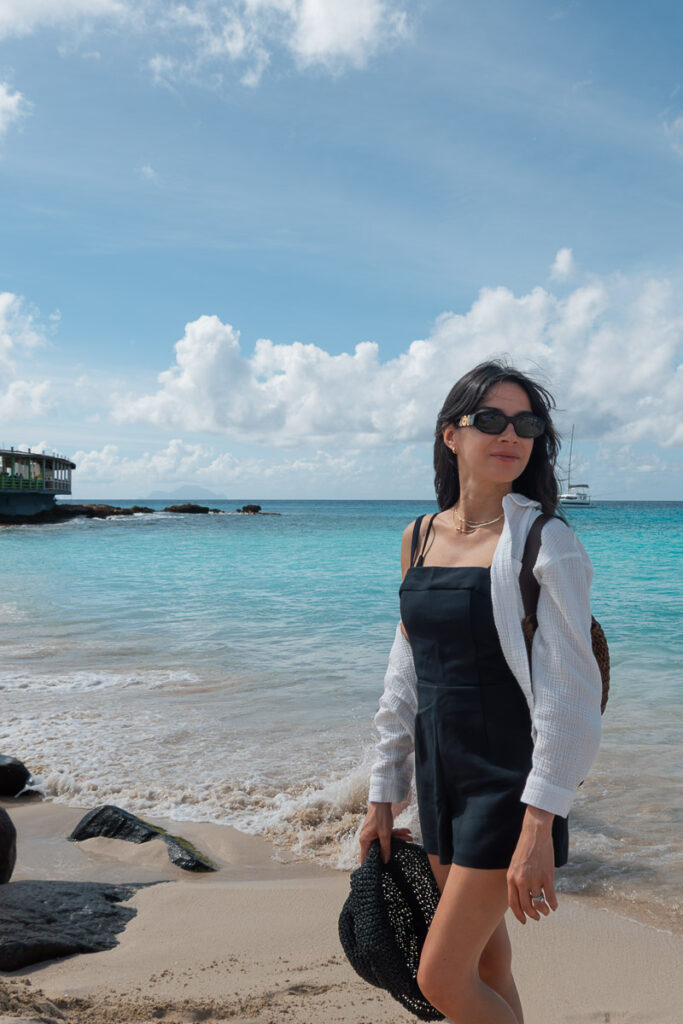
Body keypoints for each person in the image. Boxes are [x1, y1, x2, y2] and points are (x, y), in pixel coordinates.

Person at [358, 360, 602, 1024]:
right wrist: (384, 792)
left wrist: (538, 826)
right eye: (490, 419)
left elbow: (571, 697)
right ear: (450, 435)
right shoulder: (416, 537)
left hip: (506, 782)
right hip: (440, 777)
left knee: (440, 979)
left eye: (526, 423)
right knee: (485, 967)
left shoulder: (546, 543)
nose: (510, 435)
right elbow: (404, 671)